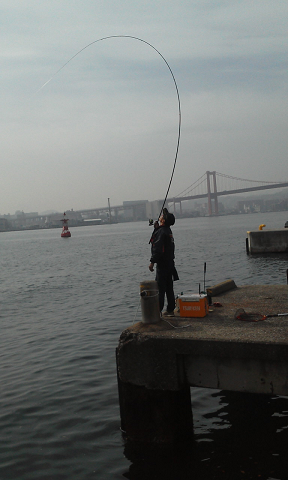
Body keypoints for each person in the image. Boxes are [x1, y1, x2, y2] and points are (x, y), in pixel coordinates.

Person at [149, 208, 179, 316]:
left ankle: (158, 312)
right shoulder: (167, 231)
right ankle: (170, 309)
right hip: (170, 263)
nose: (160, 216)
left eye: (162, 216)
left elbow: (158, 248)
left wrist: (152, 262)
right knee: (169, 288)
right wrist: (157, 228)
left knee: (160, 289)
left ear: (164, 221)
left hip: (162, 265)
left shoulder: (162, 231)